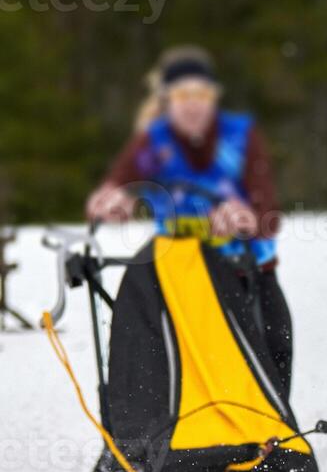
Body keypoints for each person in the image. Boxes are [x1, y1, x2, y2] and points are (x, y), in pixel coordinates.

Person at [84, 46, 295, 397]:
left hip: (249, 274)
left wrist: (246, 217)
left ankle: (271, 431)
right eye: (183, 94)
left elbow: (268, 213)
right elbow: (116, 186)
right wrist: (113, 201)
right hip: (182, 279)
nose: (193, 103)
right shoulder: (154, 143)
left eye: (202, 93)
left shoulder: (240, 136)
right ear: (167, 99)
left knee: (274, 347)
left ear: (215, 97)